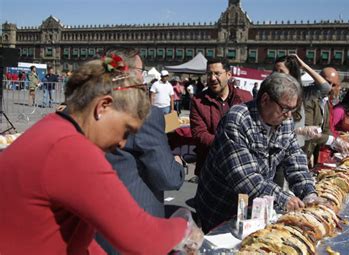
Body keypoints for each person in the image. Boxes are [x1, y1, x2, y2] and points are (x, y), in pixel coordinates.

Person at [0, 57, 201, 254]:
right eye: (125, 129)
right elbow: (140, 237)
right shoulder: (72, 149)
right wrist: (184, 225)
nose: (122, 143)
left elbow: (77, 233)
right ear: (103, 106)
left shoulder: (52, 128)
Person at [194, 72, 319, 233]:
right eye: (285, 108)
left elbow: (295, 158)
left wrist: (308, 192)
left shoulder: (285, 121)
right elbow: (245, 177)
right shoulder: (237, 119)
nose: (289, 115)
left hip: (254, 209)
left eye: (292, 110)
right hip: (220, 208)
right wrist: (284, 198)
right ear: (265, 99)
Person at [93, 47, 187, 254]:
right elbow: (167, 177)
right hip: (134, 225)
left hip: (97, 221)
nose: (143, 77)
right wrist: (179, 166)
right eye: (141, 71)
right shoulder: (143, 113)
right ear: (129, 73)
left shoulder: (92, 106)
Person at [190, 57, 252, 181]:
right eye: (209, 74)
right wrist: (229, 145)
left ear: (228, 75)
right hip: (210, 167)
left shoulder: (245, 98)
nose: (212, 78)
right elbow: (199, 134)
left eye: (217, 73)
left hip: (242, 168)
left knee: (241, 201)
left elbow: (253, 129)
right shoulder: (198, 101)